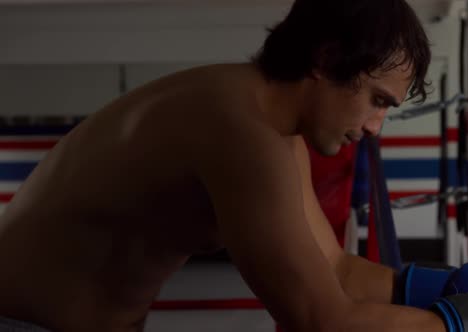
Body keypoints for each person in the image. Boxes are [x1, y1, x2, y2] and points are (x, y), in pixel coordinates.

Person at [0, 0, 443, 331]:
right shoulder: (240, 132)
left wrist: (448, 288)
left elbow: (336, 270)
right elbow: (320, 319)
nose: (374, 127)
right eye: (377, 101)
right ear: (325, 60)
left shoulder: (277, 133)